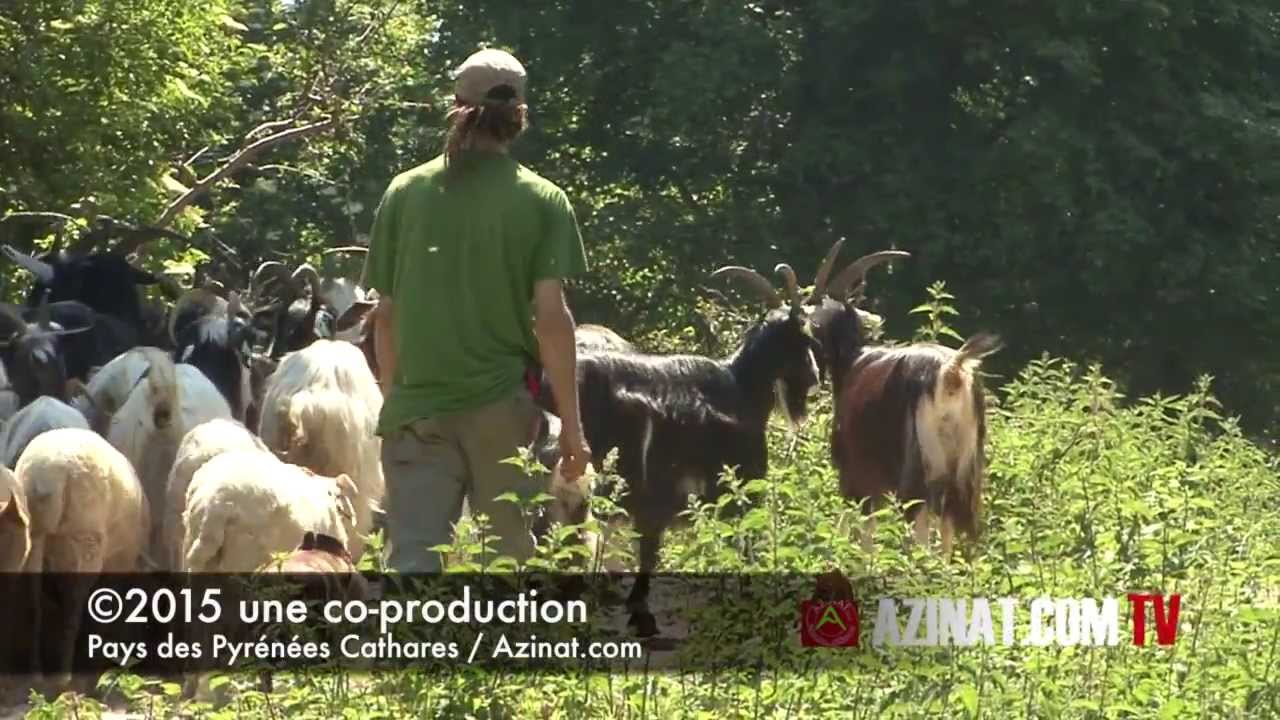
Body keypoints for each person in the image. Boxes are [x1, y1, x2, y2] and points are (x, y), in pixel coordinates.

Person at [361, 48, 591, 573]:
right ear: (520, 117)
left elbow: (386, 315)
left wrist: (394, 401)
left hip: (418, 411)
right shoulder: (542, 200)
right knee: (505, 559)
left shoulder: (405, 193)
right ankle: (497, 654)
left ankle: (412, 655)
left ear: (455, 106)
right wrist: (574, 431)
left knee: (414, 561)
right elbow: (552, 321)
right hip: (503, 412)